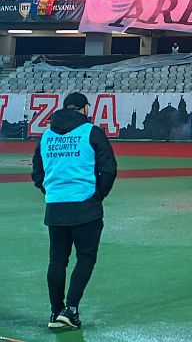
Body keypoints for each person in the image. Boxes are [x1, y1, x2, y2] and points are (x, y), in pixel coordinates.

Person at [31, 92, 118, 330]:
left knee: (57, 261)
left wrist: (50, 191)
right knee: (86, 258)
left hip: (55, 206)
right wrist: (97, 195)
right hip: (85, 205)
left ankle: (55, 311)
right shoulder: (91, 132)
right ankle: (71, 310)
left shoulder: (46, 136)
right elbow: (109, 168)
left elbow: (37, 172)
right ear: (84, 109)